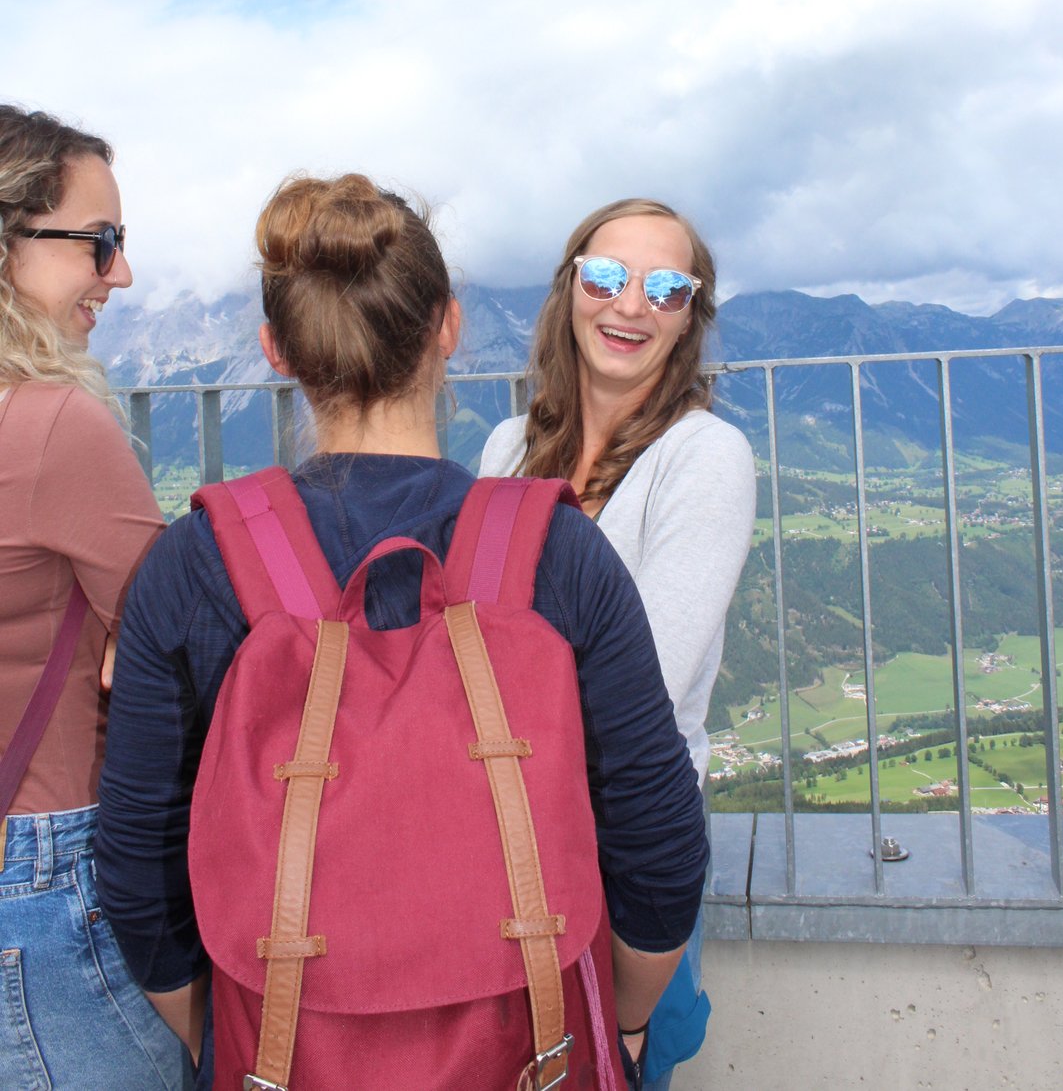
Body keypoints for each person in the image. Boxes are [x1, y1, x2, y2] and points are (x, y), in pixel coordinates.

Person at [95, 173, 708, 1088]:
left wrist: (217, 1033)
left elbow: (139, 864)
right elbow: (658, 842)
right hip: (533, 1047)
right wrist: (614, 1023)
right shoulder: (555, 550)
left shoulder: (198, 561)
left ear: (276, 350)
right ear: (447, 329)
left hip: (279, 1051)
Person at [480, 196, 756, 1089]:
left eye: (666, 288)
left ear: (689, 318)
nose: (631, 305)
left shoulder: (704, 457)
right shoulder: (505, 448)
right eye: (605, 277)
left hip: (627, 841)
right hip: (506, 833)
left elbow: (647, 688)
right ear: (569, 290)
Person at [0, 103, 193, 1091]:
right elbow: (184, 636)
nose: (120, 275)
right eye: (101, 241)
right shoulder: (49, 424)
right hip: (41, 871)